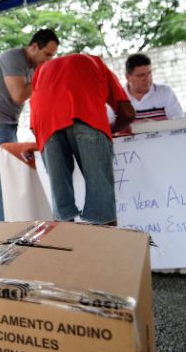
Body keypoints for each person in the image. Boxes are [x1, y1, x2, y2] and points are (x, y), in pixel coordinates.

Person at [30, 53, 136, 226]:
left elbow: (36, 120)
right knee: (101, 197)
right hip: (85, 115)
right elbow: (128, 113)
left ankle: (68, 247)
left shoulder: (41, 70)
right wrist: (109, 129)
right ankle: (106, 250)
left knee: (61, 204)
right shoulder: (96, 62)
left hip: (45, 122)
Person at [0, 29, 60, 221]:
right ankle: (3, 226)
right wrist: (44, 77)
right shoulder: (12, 58)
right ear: (33, 47)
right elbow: (19, 95)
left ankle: (12, 221)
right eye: (47, 54)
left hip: (8, 124)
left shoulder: (32, 66)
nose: (48, 60)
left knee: (10, 173)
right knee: (4, 176)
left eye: (52, 56)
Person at [123, 53, 183, 121]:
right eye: (141, 75)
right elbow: (111, 128)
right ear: (128, 77)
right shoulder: (117, 98)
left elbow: (178, 121)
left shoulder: (165, 92)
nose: (147, 79)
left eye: (149, 73)